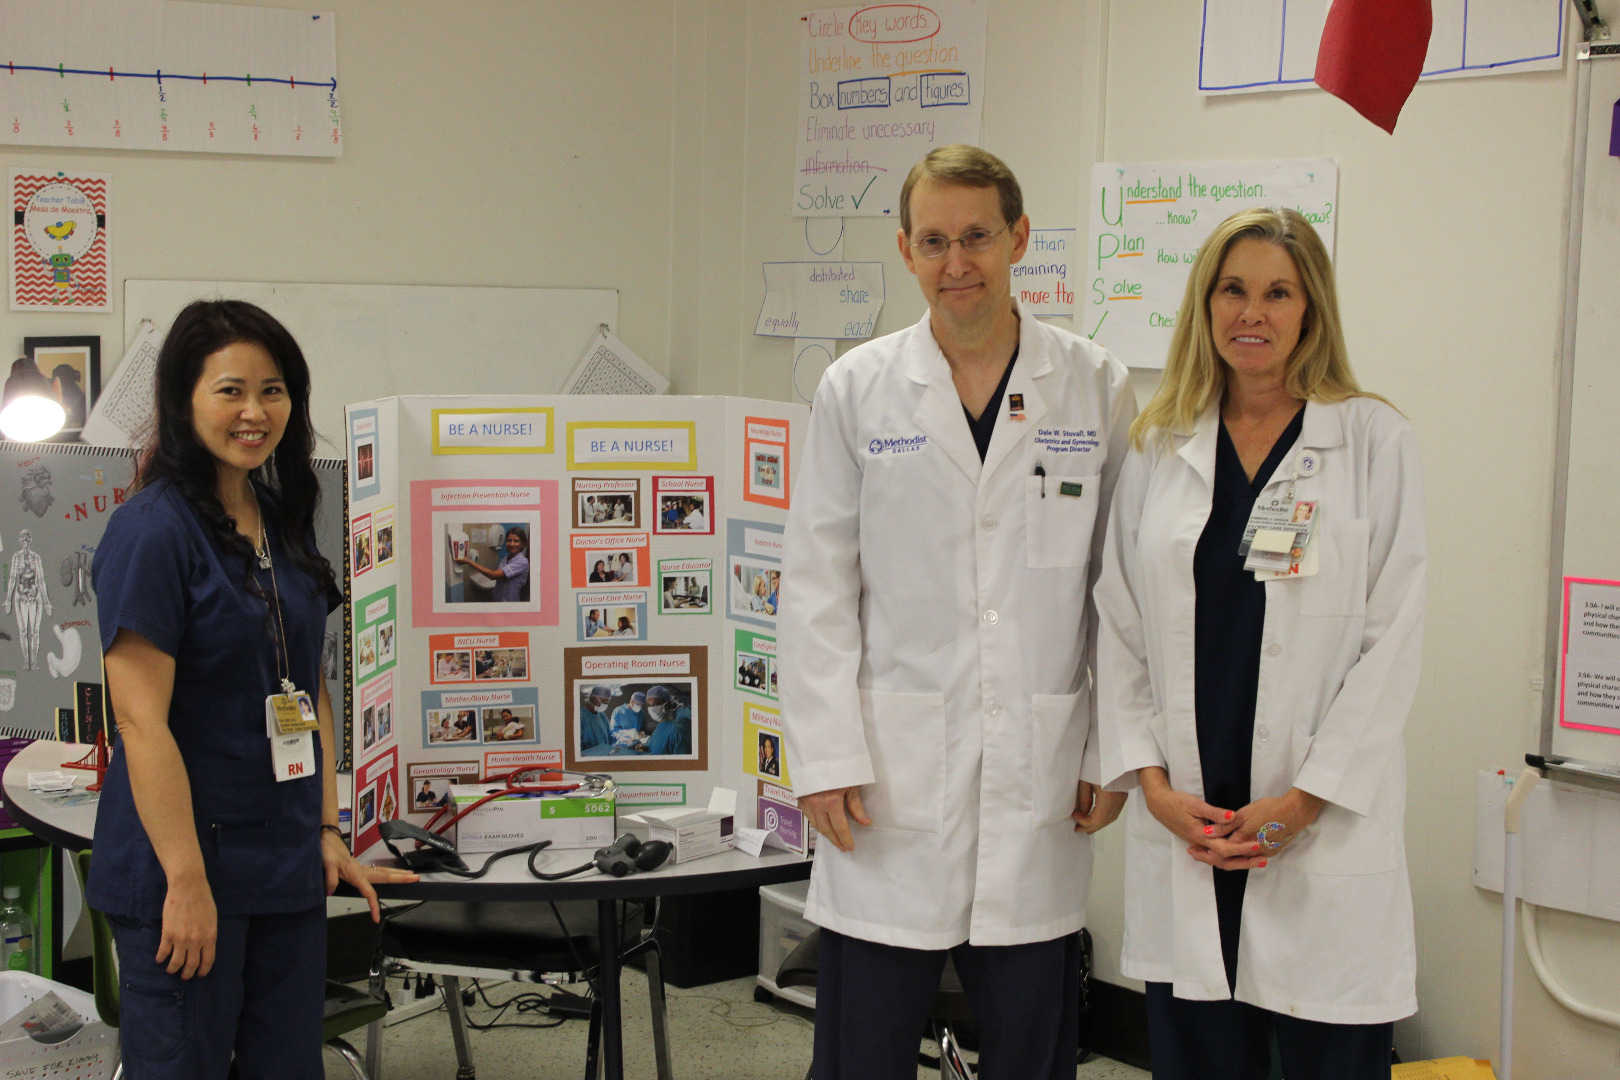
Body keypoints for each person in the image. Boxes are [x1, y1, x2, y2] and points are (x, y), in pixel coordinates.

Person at [778, 145, 1135, 1080]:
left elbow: (1121, 589)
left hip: (1038, 771)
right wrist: (823, 758)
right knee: (863, 1053)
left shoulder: (1093, 385)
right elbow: (816, 586)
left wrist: (1111, 749)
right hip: (888, 777)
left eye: (977, 236)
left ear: (1019, 238)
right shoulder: (858, 387)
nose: (957, 262)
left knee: (1032, 1049)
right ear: (906, 250)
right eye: (934, 241)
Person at [1093, 207, 1426, 1080]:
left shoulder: (1371, 442)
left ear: (1310, 309)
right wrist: (1152, 786)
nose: (1253, 312)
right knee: (1199, 1051)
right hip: (1192, 816)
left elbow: (1394, 639)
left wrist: (1305, 803)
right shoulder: (1161, 444)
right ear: (1205, 305)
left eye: (1279, 293)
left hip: (1313, 817)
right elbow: (1119, 623)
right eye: (1233, 289)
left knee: (1330, 1053)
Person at [85, 299, 417, 1079]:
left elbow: (308, 680)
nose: (255, 411)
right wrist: (185, 881)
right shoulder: (152, 530)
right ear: (183, 399)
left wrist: (326, 828)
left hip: (284, 866)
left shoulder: (280, 516)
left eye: (273, 390)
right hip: (184, 869)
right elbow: (139, 722)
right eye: (230, 390)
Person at [455, 526, 529, 602]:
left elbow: (493, 575)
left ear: (522, 543)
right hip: (497, 598)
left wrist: (469, 561)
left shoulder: (522, 562)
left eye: (516, 541)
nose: (512, 544)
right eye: (509, 540)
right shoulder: (505, 559)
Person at [644, 685, 691, 755]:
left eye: (656, 704)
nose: (652, 708)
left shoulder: (677, 731)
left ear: (667, 705)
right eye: (649, 705)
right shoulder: (658, 729)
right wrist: (647, 748)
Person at [579, 685, 614, 752]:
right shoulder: (581, 717)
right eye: (603, 701)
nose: (604, 705)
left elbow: (610, 735)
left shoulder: (602, 715)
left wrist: (622, 737)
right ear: (592, 697)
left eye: (607, 703)